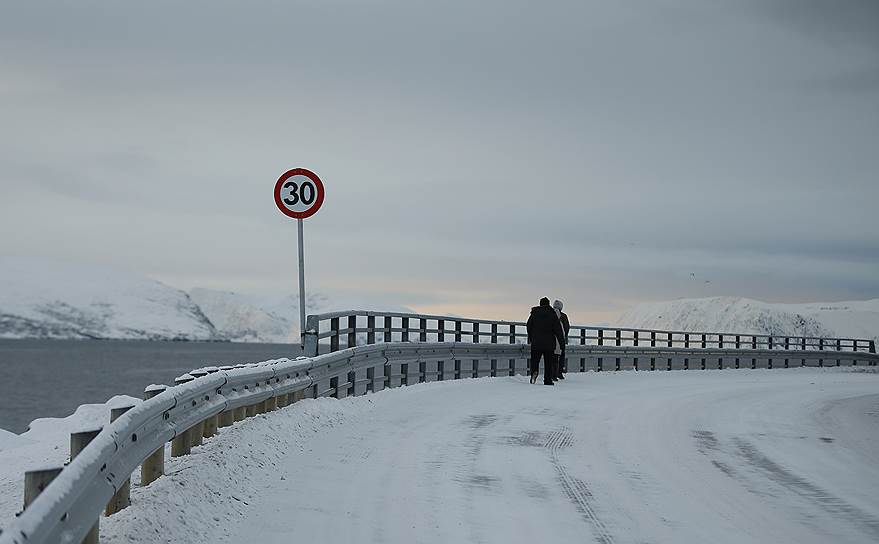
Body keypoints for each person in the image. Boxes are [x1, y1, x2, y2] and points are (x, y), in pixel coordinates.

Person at [526, 297, 565, 385]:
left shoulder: (534, 313)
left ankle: (534, 372)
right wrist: (562, 344)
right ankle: (547, 380)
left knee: (535, 360)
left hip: (536, 342)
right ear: (548, 304)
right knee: (548, 363)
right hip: (549, 343)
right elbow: (558, 330)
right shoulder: (552, 314)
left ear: (540, 304)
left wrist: (531, 338)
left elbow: (528, 326)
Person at [553, 300, 571, 379]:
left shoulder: (550, 314)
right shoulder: (563, 316)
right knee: (561, 356)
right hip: (560, 339)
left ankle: (552, 372)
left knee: (552, 356)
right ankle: (559, 372)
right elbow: (566, 328)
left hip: (550, 339)